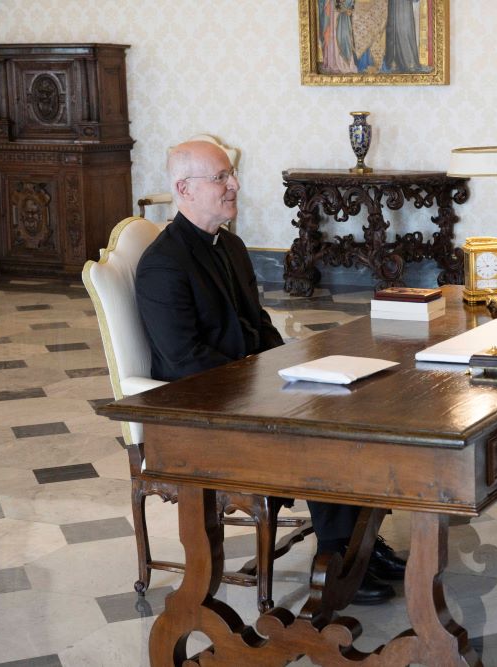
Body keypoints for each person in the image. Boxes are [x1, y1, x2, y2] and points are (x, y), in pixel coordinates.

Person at [135, 140, 405, 605]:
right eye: (221, 177)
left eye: (231, 175)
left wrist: (293, 370)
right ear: (184, 188)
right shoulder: (162, 263)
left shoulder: (232, 245)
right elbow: (185, 362)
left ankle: (361, 542)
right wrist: (266, 381)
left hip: (249, 386)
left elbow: (259, 326)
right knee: (322, 431)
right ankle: (341, 558)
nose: (233, 185)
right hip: (204, 409)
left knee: (352, 405)